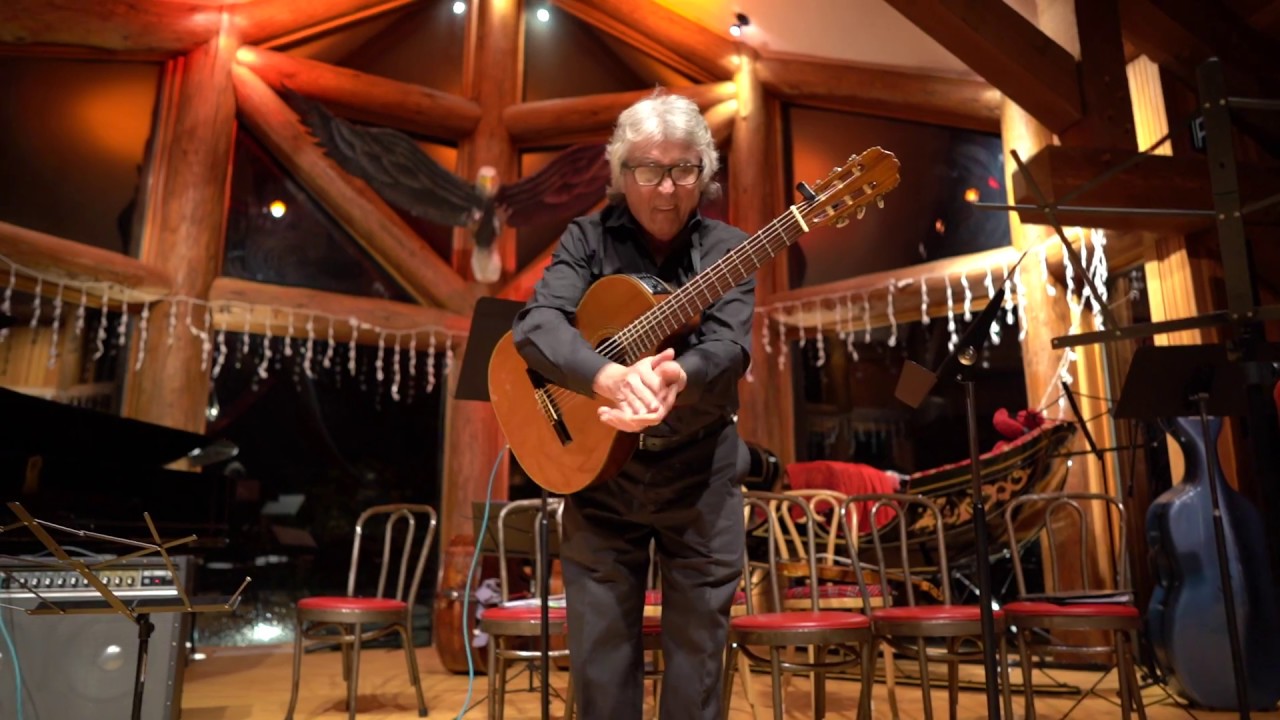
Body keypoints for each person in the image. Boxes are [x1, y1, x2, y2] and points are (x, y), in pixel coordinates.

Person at [511, 90, 755, 720]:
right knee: (600, 665)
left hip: (701, 474)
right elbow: (537, 326)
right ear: (621, 174)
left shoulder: (731, 247)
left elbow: (728, 348)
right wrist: (606, 378)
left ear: (704, 171)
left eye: (683, 170)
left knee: (699, 666)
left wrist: (679, 375)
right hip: (601, 481)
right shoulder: (586, 238)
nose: (667, 189)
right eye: (648, 169)